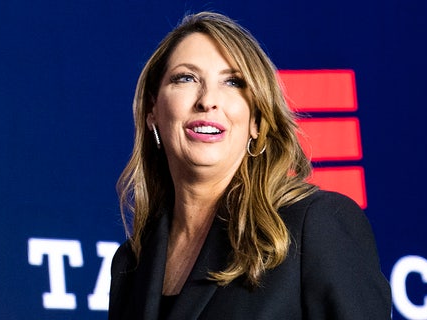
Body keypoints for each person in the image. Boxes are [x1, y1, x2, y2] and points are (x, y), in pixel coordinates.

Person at [109, 11, 391, 319]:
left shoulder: (313, 225)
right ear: (152, 109)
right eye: (186, 78)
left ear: (256, 120)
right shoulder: (131, 263)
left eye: (232, 82)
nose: (208, 100)